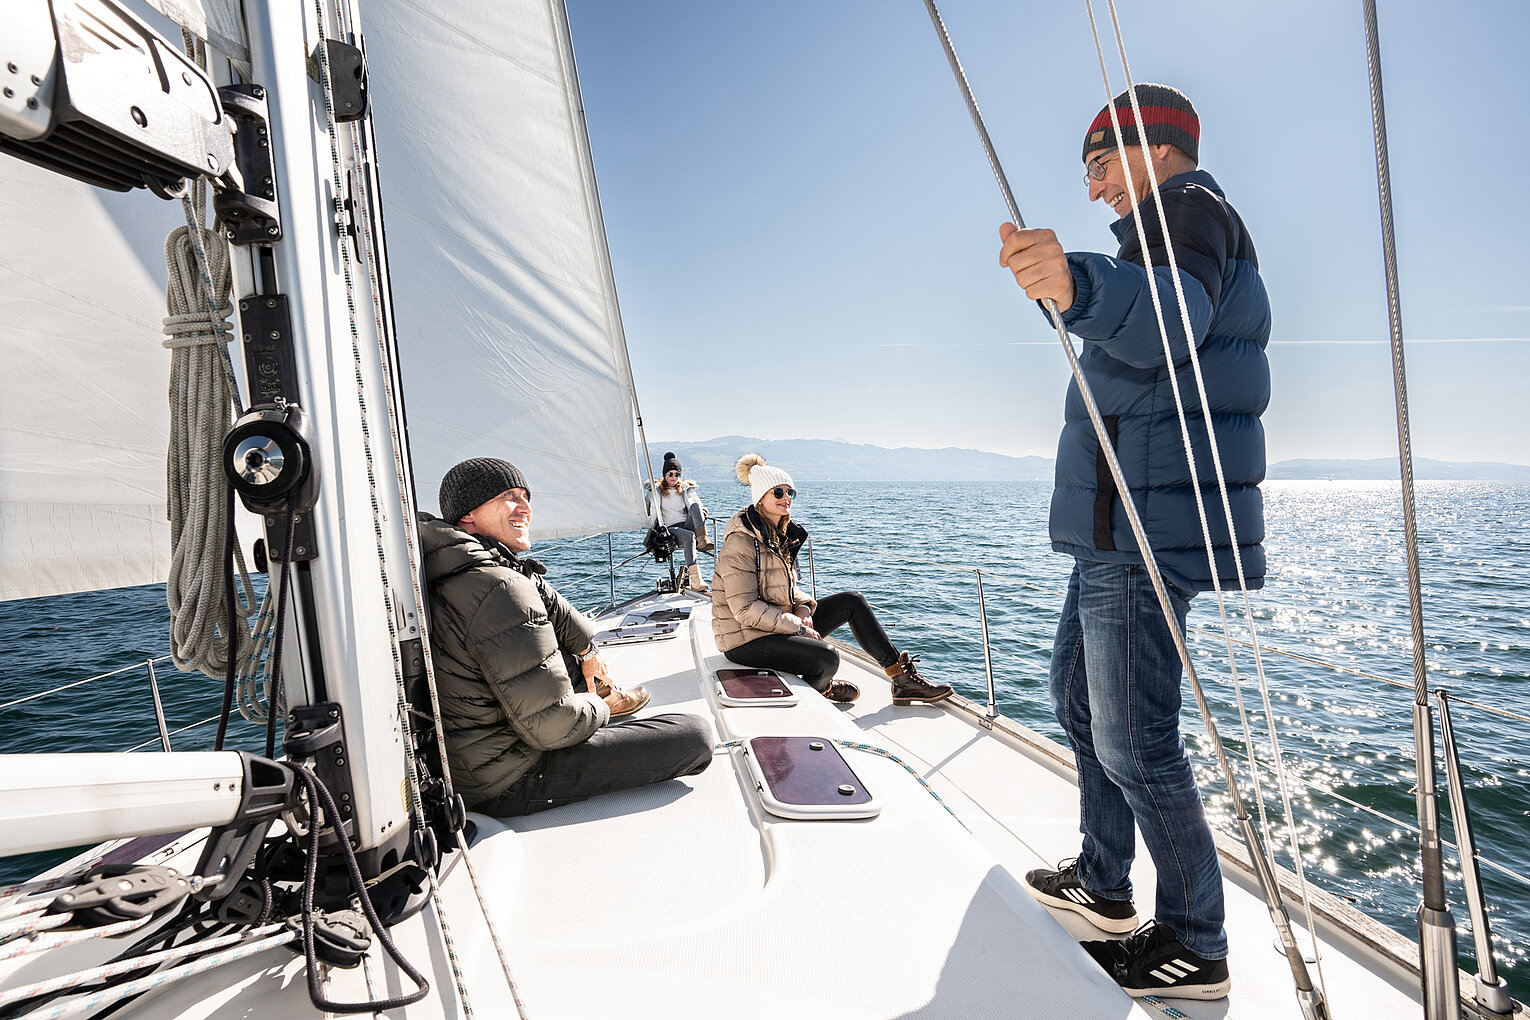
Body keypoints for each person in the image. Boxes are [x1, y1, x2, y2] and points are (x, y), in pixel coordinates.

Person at [997, 84, 1269, 1000]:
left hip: (1141, 526)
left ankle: (1196, 943)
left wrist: (1077, 283)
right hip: (1116, 525)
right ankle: (1105, 884)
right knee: (1077, 700)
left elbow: (1166, 321)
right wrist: (1075, 288)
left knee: (1136, 741)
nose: (1094, 188)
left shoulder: (1186, 211)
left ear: (1157, 146)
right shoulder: (1158, 234)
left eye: (1102, 163)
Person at [419, 456, 713, 817]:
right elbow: (552, 728)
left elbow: (567, 620)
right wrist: (601, 705)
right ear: (468, 513)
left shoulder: (462, 566)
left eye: (526, 497)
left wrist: (588, 651)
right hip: (509, 777)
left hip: (478, 761)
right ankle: (605, 700)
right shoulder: (499, 588)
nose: (526, 508)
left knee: (565, 651)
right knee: (694, 735)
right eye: (509, 497)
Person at [710, 454, 954, 706]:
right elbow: (744, 609)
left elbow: (782, 589)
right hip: (745, 639)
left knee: (852, 602)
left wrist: (804, 606)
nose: (786, 498)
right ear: (760, 497)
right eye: (778, 492)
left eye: (790, 492)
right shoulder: (741, 542)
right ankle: (821, 688)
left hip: (773, 625)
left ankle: (901, 679)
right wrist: (798, 626)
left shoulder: (778, 535)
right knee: (828, 658)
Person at [645, 451, 712, 592]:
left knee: (695, 506)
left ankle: (703, 540)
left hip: (687, 524)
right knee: (689, 536)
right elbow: (646, 508)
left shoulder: (686, 489)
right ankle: (696, 581)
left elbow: (699, 506)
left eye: (677, 474)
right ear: (664, 475)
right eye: (670, 474)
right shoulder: (655, 491)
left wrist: (702, 513)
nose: (674, 477)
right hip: (669, 529)